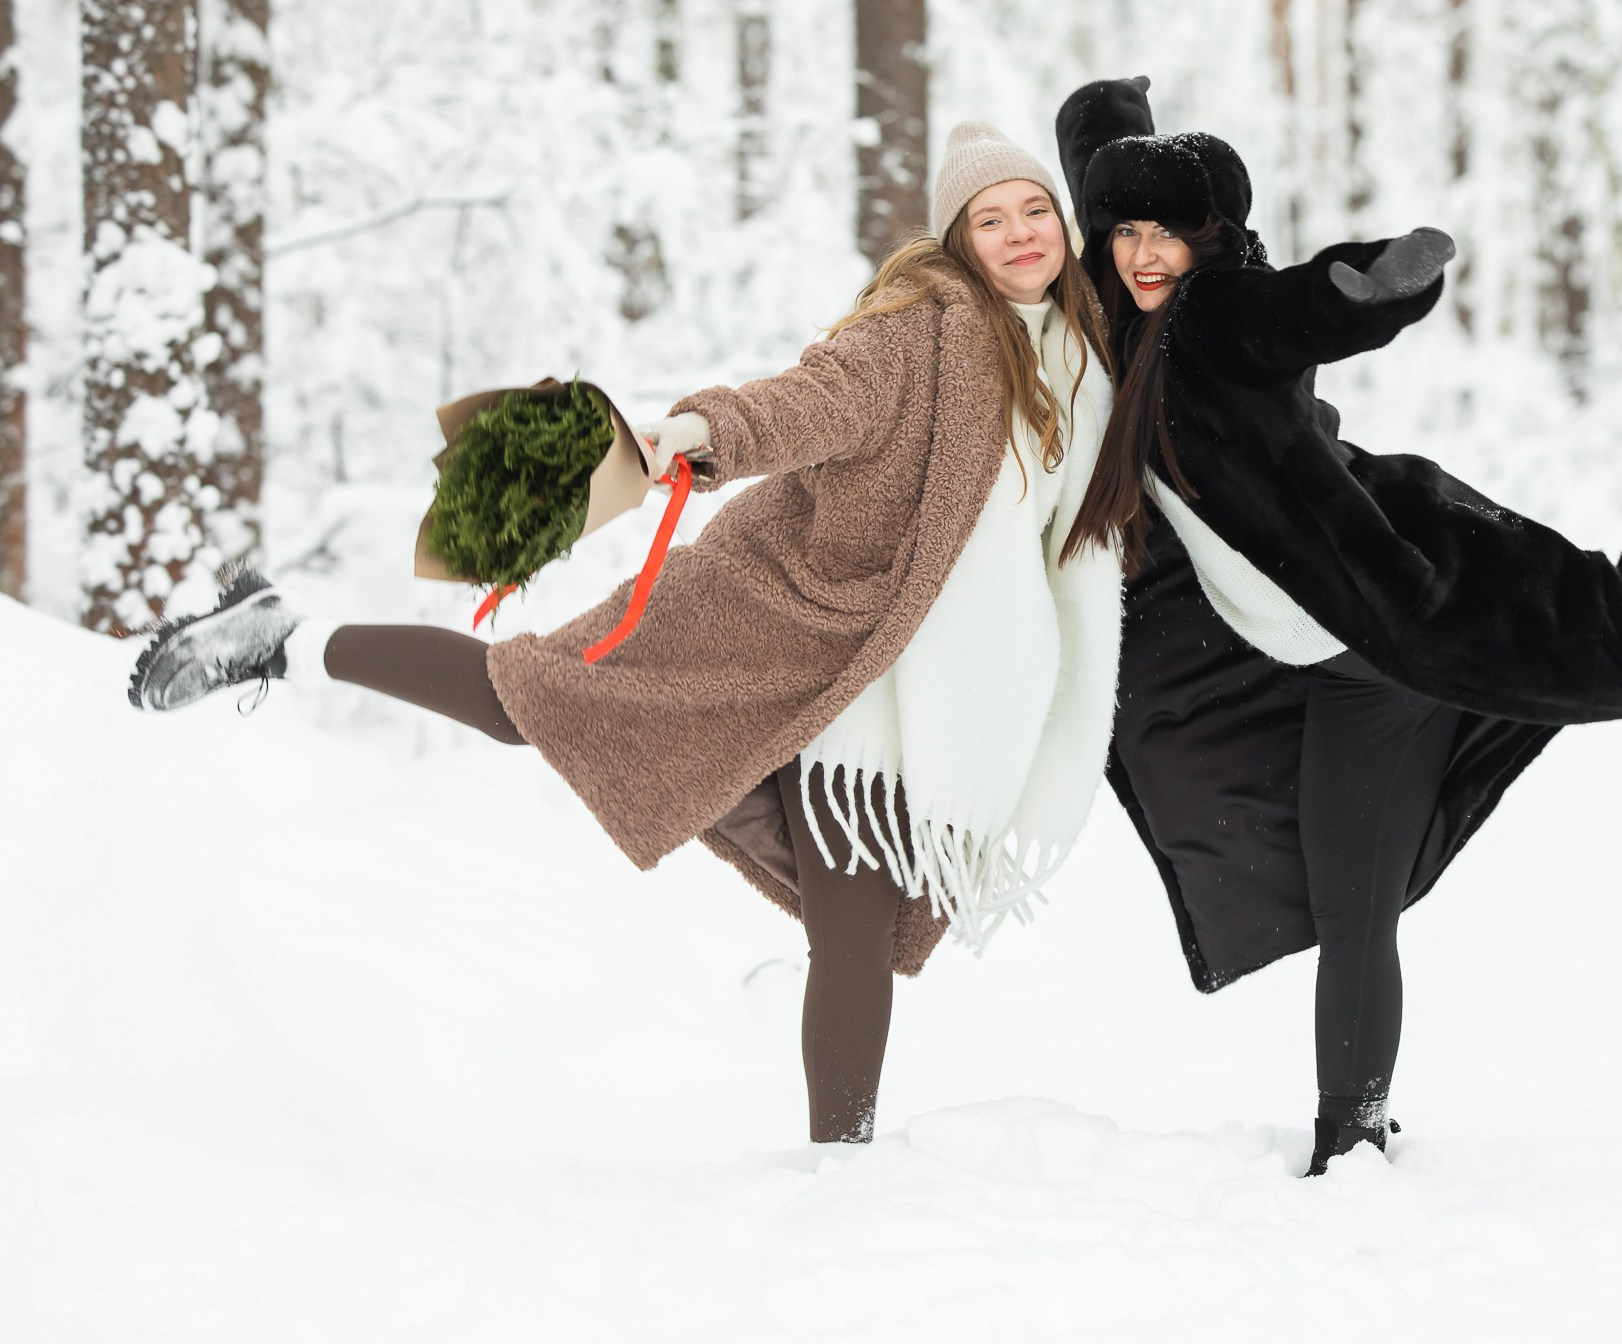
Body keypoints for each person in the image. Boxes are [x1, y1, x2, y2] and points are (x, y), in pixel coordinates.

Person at [1054, 76, 1622, 1174]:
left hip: (1424, 594)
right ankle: (1349, 1147)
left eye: (1176, 231)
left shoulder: (1214, 317)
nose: (1148, 252)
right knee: (1358, 910)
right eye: (1129, 232)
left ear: (1221, 240)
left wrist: (1366, 287)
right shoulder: (1115, 320)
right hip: (1338, 672)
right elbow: (1092, 203)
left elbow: (1295, 312)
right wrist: (1109, 116)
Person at [126, 122, 1125, 1145]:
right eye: (989, 219)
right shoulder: (924, 329)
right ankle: (287, 635)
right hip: (766, 618)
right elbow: (810, 401)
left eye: (1034, 210)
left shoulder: (1080, 367)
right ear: (956, 241)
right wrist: (701, 434)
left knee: (856, 935)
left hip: (893, 691)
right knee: (527, 700)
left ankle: (844, 1169)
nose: (1018, 235)